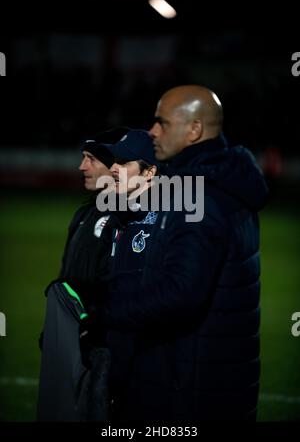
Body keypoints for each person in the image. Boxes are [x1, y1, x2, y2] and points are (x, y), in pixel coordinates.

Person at [95, 85, 269, 422]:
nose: (152, 131)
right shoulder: (221, 184)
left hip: (189, 389)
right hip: (210, 378)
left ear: (194, 130)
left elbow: (181, 292)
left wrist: (100, 312)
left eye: (162, 123)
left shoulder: (200, 196)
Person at [37, 128, 157, 421]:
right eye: (114, 160)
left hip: (121, 351)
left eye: (123, 163)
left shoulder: (157, 223)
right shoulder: (108, 215)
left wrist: (98, 321)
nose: (114, 169)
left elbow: (161, 296)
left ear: (150, 172)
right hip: (98, 341)